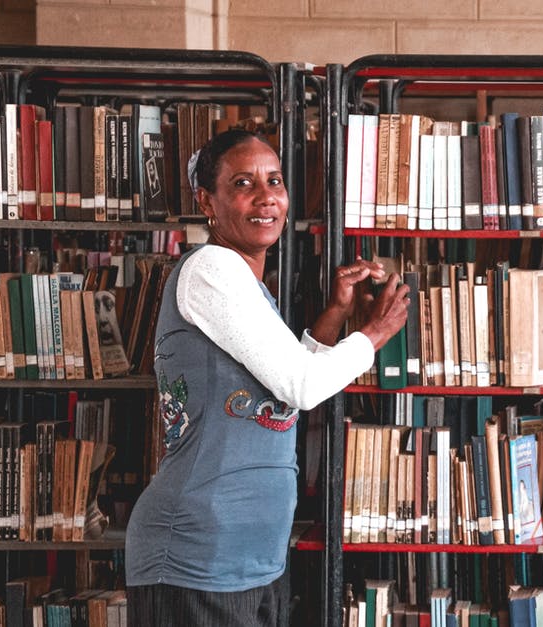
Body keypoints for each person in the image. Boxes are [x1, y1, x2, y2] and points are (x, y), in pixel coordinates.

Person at [125, 129, 410, 627]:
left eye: (274, 180)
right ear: (206, 202)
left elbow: (283, 394)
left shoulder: (248, 286)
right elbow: (301, 385)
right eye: (242, 183)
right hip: (197, 555)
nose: (266, 198)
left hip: (254, 556)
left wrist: (334, 316)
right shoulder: (211, 269)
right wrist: (374, 334)